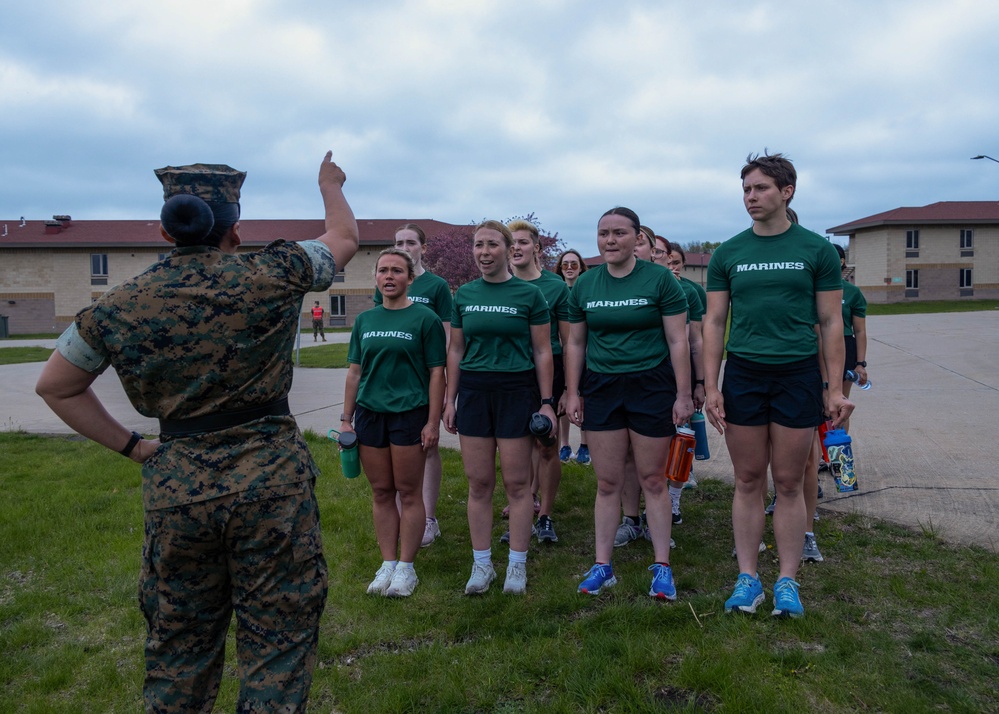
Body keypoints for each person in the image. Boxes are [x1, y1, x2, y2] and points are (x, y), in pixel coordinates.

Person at [35, 153, 359, 710]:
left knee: (180, 647)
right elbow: (344, 236)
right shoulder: (275, 273)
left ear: (165, 228)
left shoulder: (119, 305)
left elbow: (56, 386)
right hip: (271, 485)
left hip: (178, 489)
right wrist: (329, 185)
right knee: (278, 644)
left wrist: (135, 447)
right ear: (236, 226)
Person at [703, 151, 852, 618]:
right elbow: (714, 321)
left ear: (786, 191)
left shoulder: (816, 250)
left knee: (789, 481)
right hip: (744, 373)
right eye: (746, 189)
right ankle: (748, 579)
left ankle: (787, 581)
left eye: (761, 188)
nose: (751, 197)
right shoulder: (728, 253)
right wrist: (711, 385)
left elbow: (830, 322)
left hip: (796, 374)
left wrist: (833, 389)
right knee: (748, 479)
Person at [565, 207, 693, 600]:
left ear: (637, 238)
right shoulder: (585, 285)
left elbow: (678, 340)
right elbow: (575, 342)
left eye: (619, 233)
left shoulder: (659, 280)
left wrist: (684, 394)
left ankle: (661, 568)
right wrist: (573, 391)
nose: (610, 240)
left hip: (650, 385)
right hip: (602, 387)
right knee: (607, 482)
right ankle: (603, 566)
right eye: (603, 233)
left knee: (653, 480)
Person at [443, 220, 556, 595]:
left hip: (516, 391)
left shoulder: (529, 295)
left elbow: (542, 351)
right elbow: (456, 350)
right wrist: (450, 399)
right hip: (475, 392)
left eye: (492, 244)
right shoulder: (464, 295)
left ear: (509, 250)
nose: (484, 252)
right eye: (478, 245)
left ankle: (517, 567)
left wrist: (546, 402)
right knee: (478, 483)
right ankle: (482, 565)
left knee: (517, 484)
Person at [341, 248, 446, 597]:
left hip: (409, 414)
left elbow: (436, 373)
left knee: (408, 492)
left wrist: (433, 421)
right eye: (383, 270)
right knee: (382, 491)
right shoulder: (365, 321)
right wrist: (346, 419)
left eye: (397, 271)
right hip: (370, 416)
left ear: (409, 278)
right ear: (375, 278)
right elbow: (354, 373)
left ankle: (406, 568)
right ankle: (387, 563)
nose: (389, 276)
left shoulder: (425, 319)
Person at [374, 223, 454, 548]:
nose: (404, 246)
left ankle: (429, 518)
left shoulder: (437, 286)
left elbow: (448, 336)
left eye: (410, 242)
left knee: (428, 445)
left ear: (423, 247)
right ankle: (399, 515)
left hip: (425, 377)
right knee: (392, 451)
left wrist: (444, 380)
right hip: (392, 380)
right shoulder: (387, 280)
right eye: (398, 242)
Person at [508, 219, 571, 544]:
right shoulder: (498, 285)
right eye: (511, 242)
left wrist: (571, 390)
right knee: (518, 446)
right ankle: (521, 507)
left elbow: (569, 341)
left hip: (551, 370)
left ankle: (545, 515)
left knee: (547, 445)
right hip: (513, 375)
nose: (515, 247)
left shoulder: (556, 287)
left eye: (522, 241)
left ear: (537, 248)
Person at [554, 249, 590, 465]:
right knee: (563, 400)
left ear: (580, 268)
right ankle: (565, 445)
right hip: (561, 354)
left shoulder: (585, 289)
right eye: (565, 264)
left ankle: (585, 445)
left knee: (582, 399)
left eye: (574, 264)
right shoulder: (558, 291)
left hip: (584, 354)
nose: (569, 268)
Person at [835, 243, 869, 431]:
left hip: (845, 346)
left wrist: (860, 363)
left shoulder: (853, 292)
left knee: (840, 402)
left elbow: (860, 331)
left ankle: (839, 455)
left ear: (841, 261)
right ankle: (819, 455)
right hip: (814, 347)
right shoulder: (812, 288)